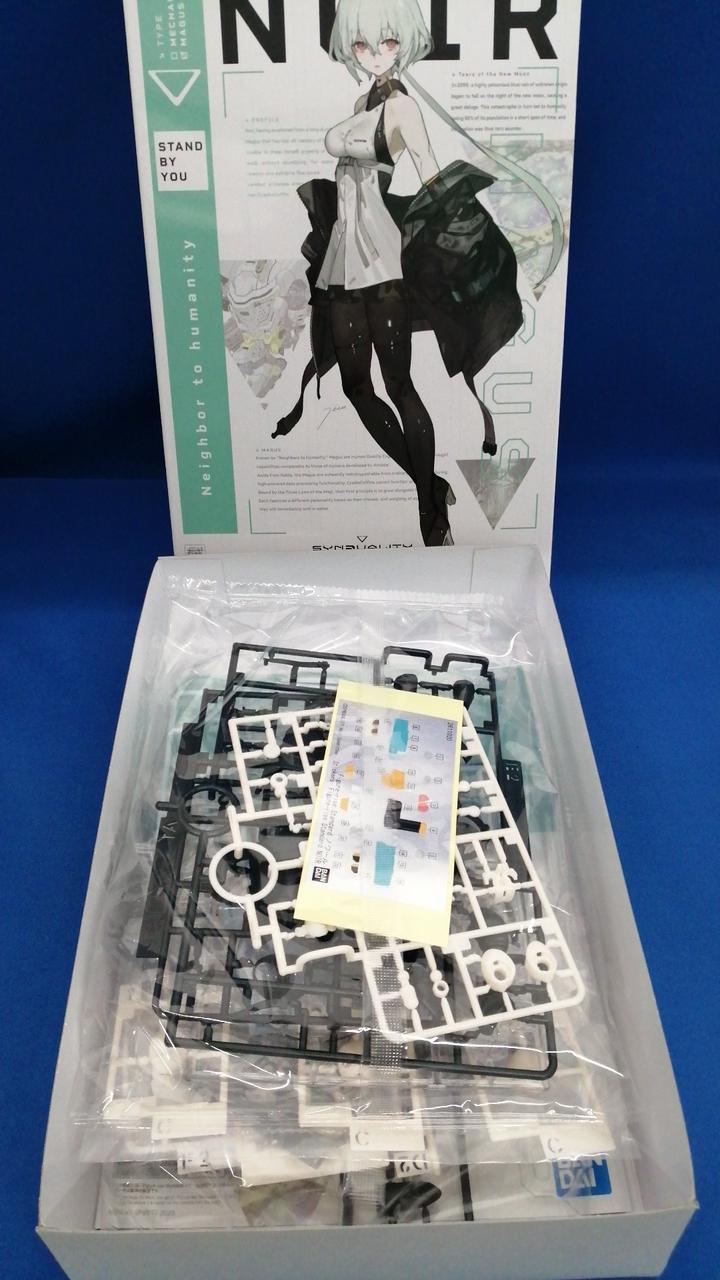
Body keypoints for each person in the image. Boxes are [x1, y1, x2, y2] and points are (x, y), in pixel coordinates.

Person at [273, 0, 524, 546]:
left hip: (383, 264)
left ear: (404, 43)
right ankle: (430, 484)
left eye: (387, 41)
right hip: (343, 262)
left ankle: (428, 515)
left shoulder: (404, 107)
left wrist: (466, 229)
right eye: (362, 43)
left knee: (398, 385)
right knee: (355, 385)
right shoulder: (361, 102)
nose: (374, 53)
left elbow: (429, 173)